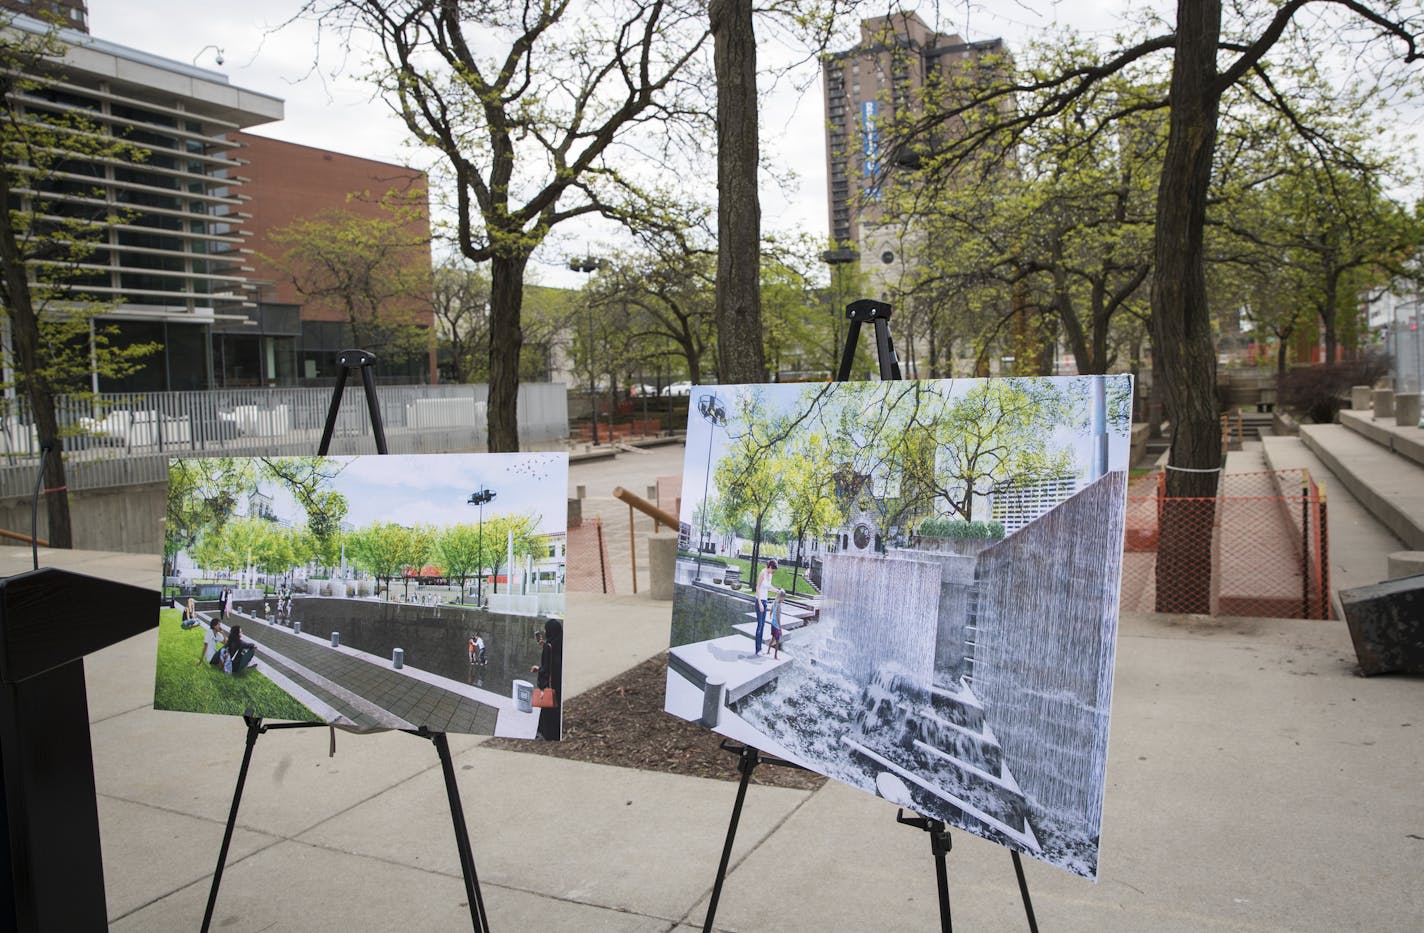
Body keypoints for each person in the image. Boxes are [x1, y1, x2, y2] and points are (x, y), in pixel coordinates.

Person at [529, 617, 563, 741]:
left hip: (550, 691)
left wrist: (539, 670)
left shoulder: (548, 647)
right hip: (560, 690)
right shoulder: (561, 644)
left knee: (547, 719)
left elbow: (546, 670)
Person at [753, 559, 778, 655]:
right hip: (759, 601)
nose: (774, 572)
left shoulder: (770, 575)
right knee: (760, 625)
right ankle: (758, 649)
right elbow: (757, 588)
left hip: (765, 602)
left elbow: (769, 586)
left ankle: (759, 649)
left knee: (763, 625)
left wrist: (777, 590)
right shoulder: (762, 573)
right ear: (770, 567)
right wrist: (759, 603)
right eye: (773, 570)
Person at [769, 589, 786, 659]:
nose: (784, 599)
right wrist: (780, 629)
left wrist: (770, 615)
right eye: (784, 598)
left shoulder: (774, 603)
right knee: (777, 642)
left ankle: (768, 650)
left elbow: (771, 610)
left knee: (772, 639)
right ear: (781, 598)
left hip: (772, 624)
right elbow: (778, 619)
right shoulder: (779, 606)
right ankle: (775, 656)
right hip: (776, 626)